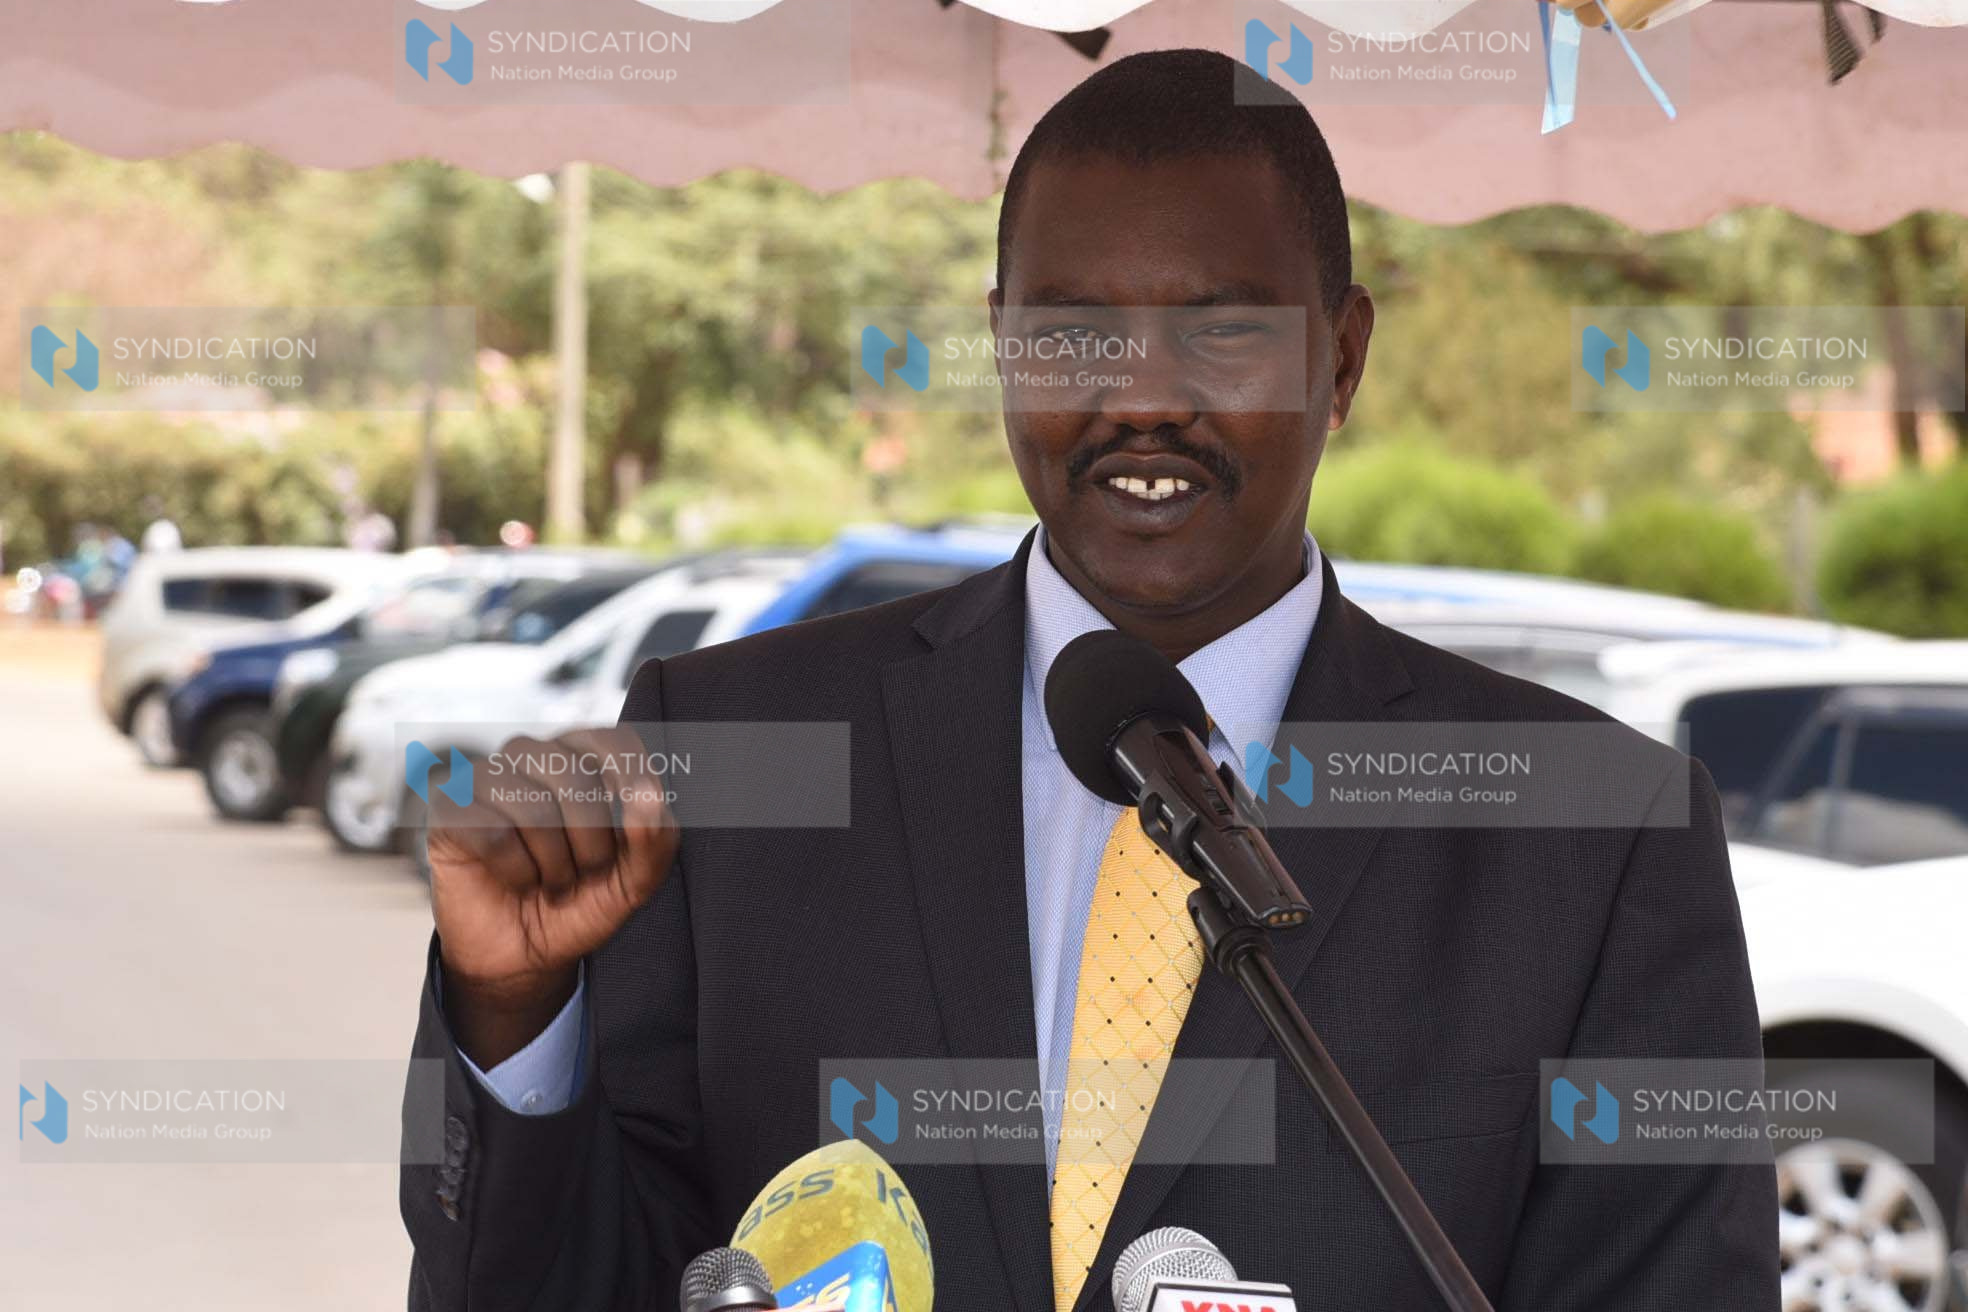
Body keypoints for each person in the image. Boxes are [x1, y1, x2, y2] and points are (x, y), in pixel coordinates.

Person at [400, 49, 1778, 1311]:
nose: (1142, 396)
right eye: (1072, 331)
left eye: (1223, 329)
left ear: (1341, 357)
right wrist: (514, 1022)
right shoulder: (730, 750)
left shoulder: (1601, 836)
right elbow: (573, 1284)